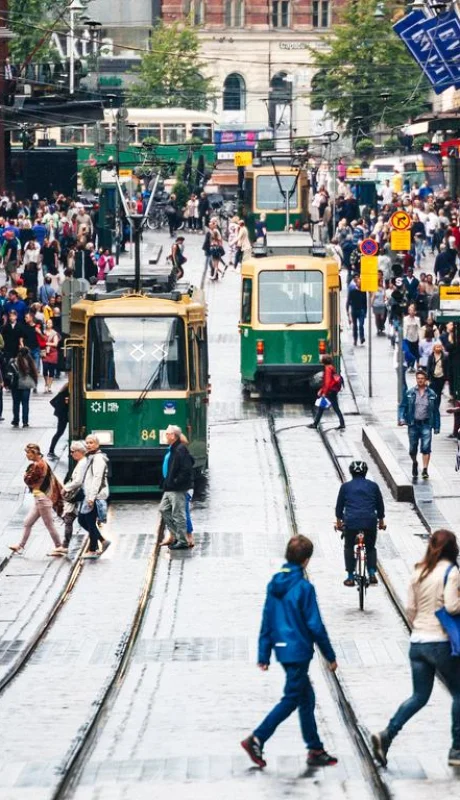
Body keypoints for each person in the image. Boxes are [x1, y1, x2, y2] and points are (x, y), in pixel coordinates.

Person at [240, 535, 338, 770]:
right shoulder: (304, 588)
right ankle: (257, 738)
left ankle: (315, 749)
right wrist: (330, 655)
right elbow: (315, 625)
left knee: (306, 698)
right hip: (299, 651)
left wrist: (264, 653)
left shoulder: (274, 583)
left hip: (283, 651)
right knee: (291, 698)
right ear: (306, 560)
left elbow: (267, 619)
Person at [372, 529, 460, 768]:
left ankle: (387, 735)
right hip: (440, 642)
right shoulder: (451, 573)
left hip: (418, 642)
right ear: (453, 549)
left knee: (419, 696)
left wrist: (420, 627)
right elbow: (452, 607)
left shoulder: (418, 571)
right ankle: (457, 749)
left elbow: (410, 609)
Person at [335, 461, 385, 586]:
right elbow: (380, 505)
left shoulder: (345, 487)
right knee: (370, 547)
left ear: (351, 472)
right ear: (365, 472)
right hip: (370, 521)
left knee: (348, 546)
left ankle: (350, 576)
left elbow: (339, 507)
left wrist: (339, 522)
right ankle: (372, 573)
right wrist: (381, 521)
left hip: (351, 521)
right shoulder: (373, 486)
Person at [9, 443, 64, 556]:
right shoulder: (41, 463)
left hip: (42, 499)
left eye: (28, 453)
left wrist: (25, 474)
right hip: (40, 499)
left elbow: (29, 480)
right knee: (27, 522)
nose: (27, 455)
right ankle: (20, 546)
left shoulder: (38, 465)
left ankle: (59, 547)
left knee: (49, 524)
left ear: (34, 453)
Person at [399, 368, 440, 480]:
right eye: (418, 378)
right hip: (413, 424)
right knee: (413, 448)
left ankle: (425, 469)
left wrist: (436, 426)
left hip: (426, 423)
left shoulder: (431, 394)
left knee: (426, 447)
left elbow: (435, 411)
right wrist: (401, 418)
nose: (420, 380)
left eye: (422, 378)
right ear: (416, 379)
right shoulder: (410, 393)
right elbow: (403, 406)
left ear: (426, 380)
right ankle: (415, 462)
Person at [159, 424, 194, 551]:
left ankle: (182, 540)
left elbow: (186, 469)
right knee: (163, 509)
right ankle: (177, 536)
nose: (165, 435)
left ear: (173, 436)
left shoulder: (180, 449)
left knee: (178, 514)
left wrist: (175, 482)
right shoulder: (173, 448)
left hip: (177, 488)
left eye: (167, 434)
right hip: (169, 488)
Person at [78, 434, 110, 559]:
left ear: (97, 444)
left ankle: (93, 549)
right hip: (89, 494)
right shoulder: (90, 457)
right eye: (87, 442)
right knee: (82, 519)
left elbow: (97, 478)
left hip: (95, 495)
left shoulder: (98, 459)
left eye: (91, 442)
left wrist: (91, 497)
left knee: (90, 521)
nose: (88, 445)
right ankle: (102, 540)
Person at [61, 440, 88, 553]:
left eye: (72, 452)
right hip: (78, 496)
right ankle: (64, 545)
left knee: (81, 520)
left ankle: (65, 545)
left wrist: (66, 488)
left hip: (80, 495)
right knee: (70, 518)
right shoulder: (81, 462)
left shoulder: (82, 463)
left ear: (78, 451)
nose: (71, 454)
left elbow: (78, 481)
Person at [308, 354, 345, 430]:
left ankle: (342, 423)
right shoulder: (331, 367)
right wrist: (322, 390)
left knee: (335, 407)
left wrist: (324, 392)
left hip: (330, 391)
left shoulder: (327, 369)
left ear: (324, 361)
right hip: (331, 390)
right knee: (322, 407)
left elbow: (327, 382)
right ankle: (315, 423)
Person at [7, 346, 38, 428]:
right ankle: (25, 422)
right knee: (25, 404)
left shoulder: (13, 361)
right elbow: (34, 372)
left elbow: (9, 374)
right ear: (27, 354)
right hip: (26, 385)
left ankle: (16, 420)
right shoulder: (29, 361)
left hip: (15, 385)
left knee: (16, 403)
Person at [48, 382, 69, 458]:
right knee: (59, 432)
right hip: (63, 415)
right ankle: (51, 451)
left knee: (59, 432)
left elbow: (52, 401)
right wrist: (62, 407)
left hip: (62, 415)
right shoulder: (66, 393)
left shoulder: (62, 392)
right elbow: (52, 402)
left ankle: (51, 450)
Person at [427, 340, 448, 410]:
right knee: (432, 392)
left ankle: (437, 406)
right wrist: (427, 378)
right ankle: (432, 405)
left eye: (439, 347)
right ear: (434, 348)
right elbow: (428, 367)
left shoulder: (444, 356)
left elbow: (446, 367)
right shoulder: (431, 356)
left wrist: (446, 378)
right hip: (433, 377)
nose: (438, 348)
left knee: (438, 393)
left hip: (441, 377)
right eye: (436, 347)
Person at [346, 275, 367, 346]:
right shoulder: (352, 292)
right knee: (355, 326)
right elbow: (348, 302)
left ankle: (362, 337)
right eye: (358, 282)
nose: (359, 284)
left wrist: (365, 311)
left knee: (361, 325)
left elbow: (365, 302)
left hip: (361, 310)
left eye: (360, 282)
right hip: (354, 310)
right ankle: (355, 339)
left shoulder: (363, 292)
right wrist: (348, 312)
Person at [42, 318, 60, 393]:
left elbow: (55, 344)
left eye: (50, 323)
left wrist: (46, 343)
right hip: (45, 353)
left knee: (51, 371)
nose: (48, 324)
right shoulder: (43, 333)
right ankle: (46, 383)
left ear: (52, 324)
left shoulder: (54, 333)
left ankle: (49, 386)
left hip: (53, 353)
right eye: (47, 323)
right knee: (45, 369)